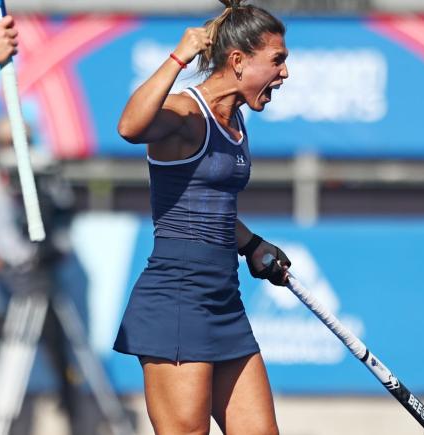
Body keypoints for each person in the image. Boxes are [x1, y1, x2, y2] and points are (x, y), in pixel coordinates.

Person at [113, 1, 291, 434]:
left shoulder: (236, 121)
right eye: (277, 61)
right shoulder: (187, 114)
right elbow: (130, 127)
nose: (285, 73)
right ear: (237, 61)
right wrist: (179, 57)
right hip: (176, 298)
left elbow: (211, 209)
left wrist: (251, 244)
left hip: (224, 299)